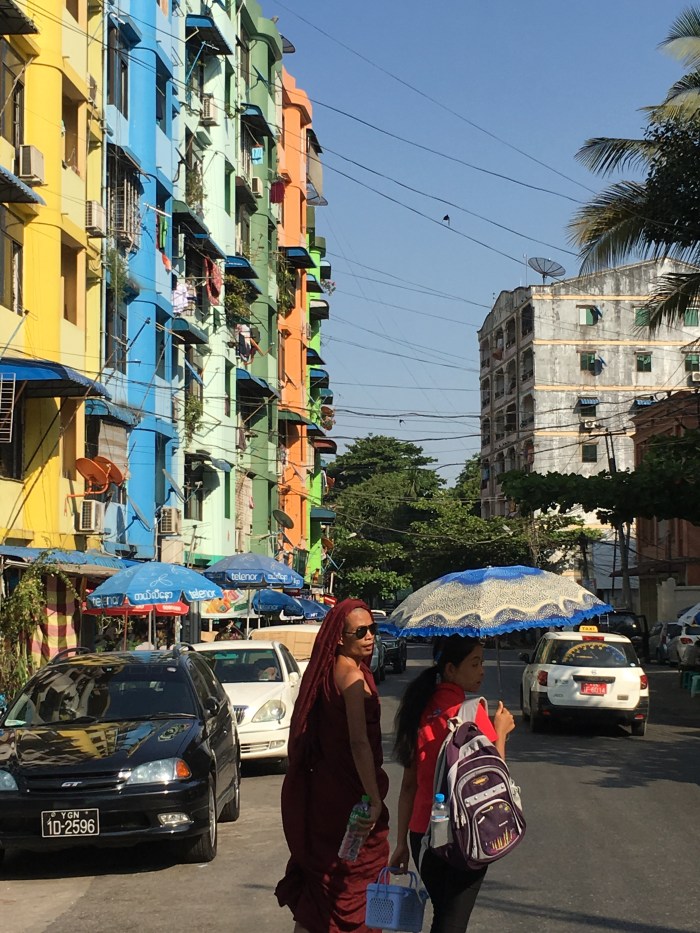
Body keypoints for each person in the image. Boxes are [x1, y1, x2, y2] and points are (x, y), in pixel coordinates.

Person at [275, 599, 390, 932]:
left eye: (373, 629)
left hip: (325, 794)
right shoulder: (351, 677)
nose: (369, 637)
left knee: (323, 883)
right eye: (361, 631)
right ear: (339, 638)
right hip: (350, 797)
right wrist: (374, 799)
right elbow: (358, 742)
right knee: (354, 881)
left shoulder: (330, 670)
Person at [390, 635, 515, 933]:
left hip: (422, 836)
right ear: (450, 669)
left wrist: (401, 843)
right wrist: (501, 733)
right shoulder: (471, 713)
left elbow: (408, 786)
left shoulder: (417, 707)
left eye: (482, 663)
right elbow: (493, 782)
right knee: (452, 922)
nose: (481, 671)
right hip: (466, 833)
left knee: (444, 915)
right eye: (474, 664)